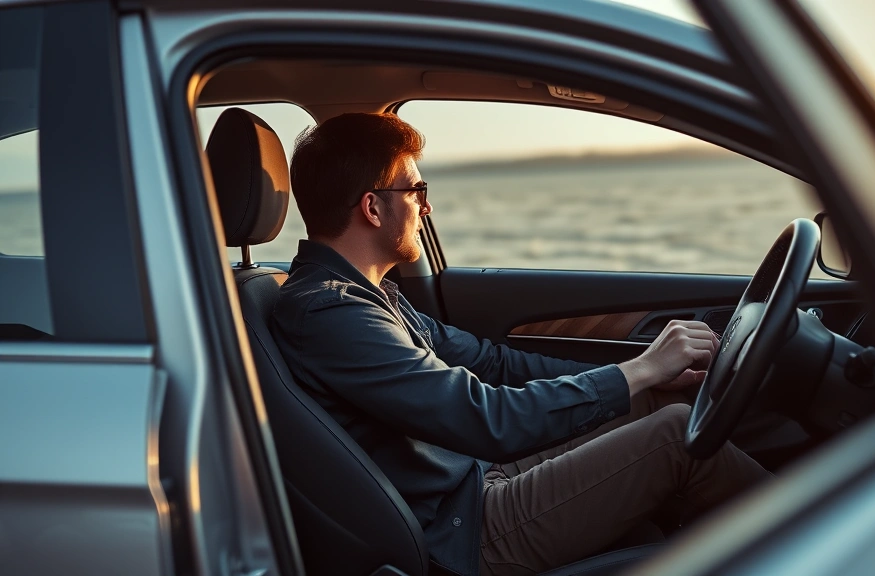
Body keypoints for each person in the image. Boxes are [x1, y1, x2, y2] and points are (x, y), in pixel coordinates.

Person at [271, 113, 769, 576]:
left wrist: (646, 372)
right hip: (466, 528)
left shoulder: (369, 296)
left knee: (657, 401)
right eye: (416, 188)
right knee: (677, 437)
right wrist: (639, 370)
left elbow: (494, 363)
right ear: (373, 207)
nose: (427, 205)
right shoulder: (330, 313)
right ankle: (835, 546)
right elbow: (482, 418)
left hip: (472, 476)